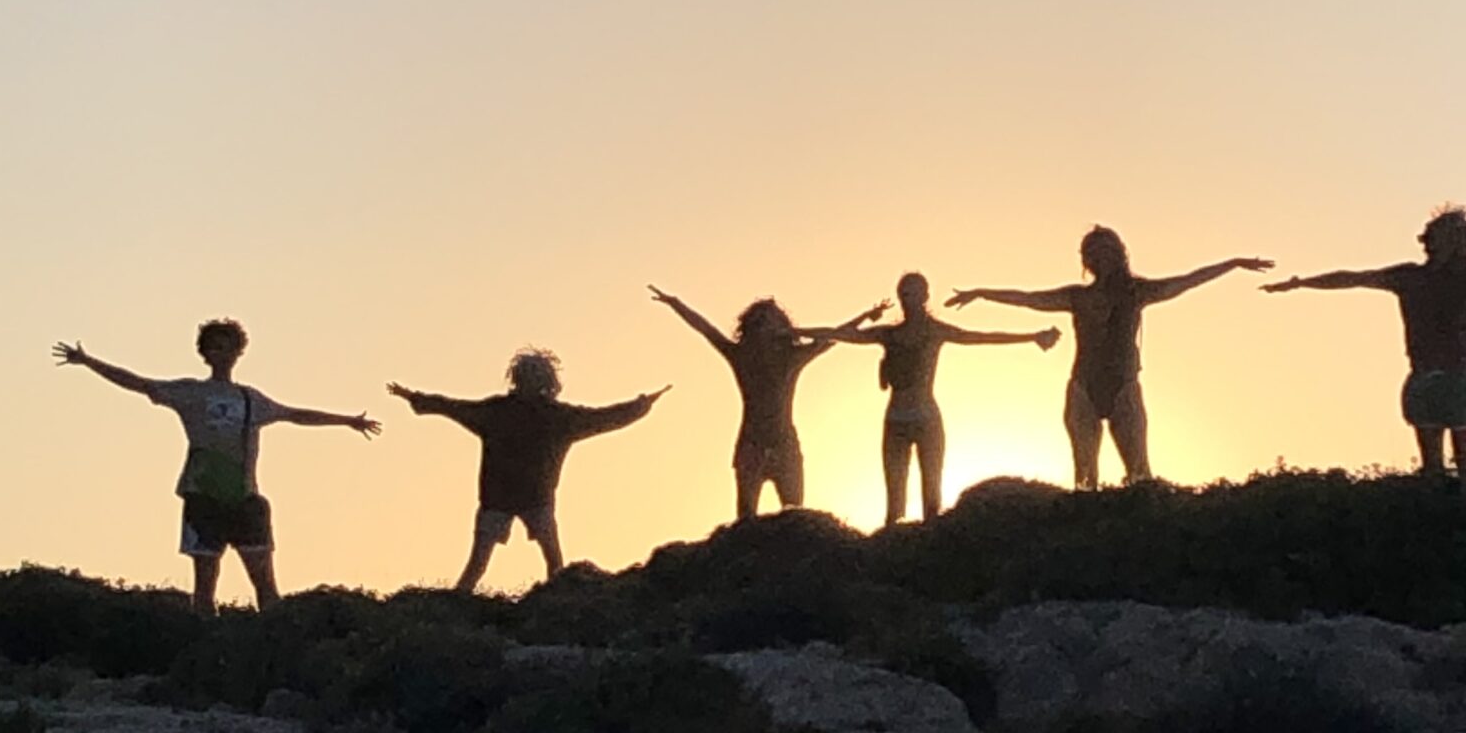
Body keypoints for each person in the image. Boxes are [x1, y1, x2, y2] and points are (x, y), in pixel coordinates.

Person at [53, 319, 379, 614]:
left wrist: (347, 421)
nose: (221, 353)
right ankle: (205, 649)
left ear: (239, 352)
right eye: (214, 347)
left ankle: (275, 645)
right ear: (204, 353)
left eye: (228, 346)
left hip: (245, 498)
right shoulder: (190, 393)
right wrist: (88, 361)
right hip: (203, 497)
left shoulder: (252, 399)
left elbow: (294, 414)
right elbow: (141, 384)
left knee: (265, 584)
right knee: (205, 587)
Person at [1262, 206, 1466, 482]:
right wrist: (1300, 283)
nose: (1436, 241)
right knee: (1432, 471)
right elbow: (1351, 277)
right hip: (1424, 376)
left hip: (1460, 376)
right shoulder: (1408, 277)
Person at [947, 226, 1274, 489]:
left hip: (1123, 387)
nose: (1100, 257)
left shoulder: (1138, 291)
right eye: (1094, 251)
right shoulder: (1077, 296)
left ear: (1119, 254)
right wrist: (981, 293)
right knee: (1085, 479)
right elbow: (1028, 299)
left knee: (1140, 475)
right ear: (1087, 259)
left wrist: (1233, 264)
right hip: (1083, 387)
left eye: (1107, 249)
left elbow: (1187, 281)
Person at [387, 349, 667, 590]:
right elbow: (454, 407)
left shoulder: (553, 417)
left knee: (550, 561)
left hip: (531, 499)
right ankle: (461, 605)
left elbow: (605, 416)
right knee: (483, 564)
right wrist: (414, 396)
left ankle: (550, 602)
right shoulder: (515, 413)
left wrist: (640, 405)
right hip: (504, 499)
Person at [826, 272, 1059, 526]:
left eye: (913, 292)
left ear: (925, 296)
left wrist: (1032, 336)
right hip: (896, 421)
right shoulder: (888, 334)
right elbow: (840, 334)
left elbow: (980, 337)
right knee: (894, 505)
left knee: (932, 502)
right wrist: (793, 331)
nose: (908, 298)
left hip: (927, 420)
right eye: (904, 293)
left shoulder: (936, 332)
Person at [648, 286, 888, 519]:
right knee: (746, 522)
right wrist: (675, 303)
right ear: (751, 326)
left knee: (795, 517)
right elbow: (705, 328)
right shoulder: (740, 355)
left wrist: (865, 316)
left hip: (784, 445)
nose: (766, 325)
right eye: (761, 320)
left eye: (771, 320)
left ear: (782, 327)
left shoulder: (792, 357)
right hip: (751, 447)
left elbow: (833, 336)